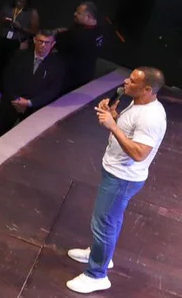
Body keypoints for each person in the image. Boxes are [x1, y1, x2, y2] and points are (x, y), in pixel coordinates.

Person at [65, 67, 167, 295]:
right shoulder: (138, 103)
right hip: (116, 172)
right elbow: (130, 131)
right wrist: (114, 115)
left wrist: (112, 126)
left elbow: (140, 152)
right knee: (109, 220)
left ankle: (96, 275)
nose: (125, 81)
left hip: (122, 179)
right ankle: (100, 256)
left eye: (132, 80)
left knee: (104, 224)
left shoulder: (151, 117)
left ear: (148, 89)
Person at [0, 30, 65, 142]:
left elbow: (53, 90)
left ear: (53, 44)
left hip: (34, 108)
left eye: (47, 42)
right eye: (40, 41)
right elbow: (7, 78)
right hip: (11, 103)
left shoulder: (58, 65)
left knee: (23, 141)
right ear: (34, 40)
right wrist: (16, 99)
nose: (43, 45)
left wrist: (29, 103)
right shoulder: (19, 55)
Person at [55, 1, 104, 93]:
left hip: (71, 77)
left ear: (88, 17)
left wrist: (58, 33)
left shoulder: (77, 36)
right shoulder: (99, 30)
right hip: (88, 73)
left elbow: (60, 45)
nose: (75, 14)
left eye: (78, 13)